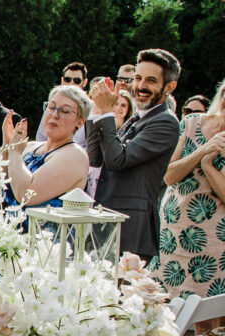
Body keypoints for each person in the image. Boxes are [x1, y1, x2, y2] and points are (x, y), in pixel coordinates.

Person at [87, 48, 182, 262]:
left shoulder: (165, 122)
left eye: (151, 80)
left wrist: (107, 113)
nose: (140, 86)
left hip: (130, 228)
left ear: (169, 87)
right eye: (138, 78)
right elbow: (96, 159)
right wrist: (98, 112)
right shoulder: (137, 118)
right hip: (104, 219)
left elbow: (117, 160)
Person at [153, 77, 225, 301]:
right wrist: (203, 150)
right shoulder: (192, 122)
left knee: (207, 310)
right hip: (172, 232)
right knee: (163, 302)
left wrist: (207, 166)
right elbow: (169, 175)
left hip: (214, 241)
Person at [0, 85, 90, 207]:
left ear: (80, 122)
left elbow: (26, 195)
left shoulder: (75, 156)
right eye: (51, 107)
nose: (55, 115)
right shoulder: (30, 147)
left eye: (65, 111)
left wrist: (15, 152)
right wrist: (6, 147)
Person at [38, 62, 88, 148]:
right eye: (68, 79)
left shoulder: (90, 110)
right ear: (62, 81)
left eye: (77, 81)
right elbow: (41, 138)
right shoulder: (51, 106)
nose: (71, 83)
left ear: (84, 82)